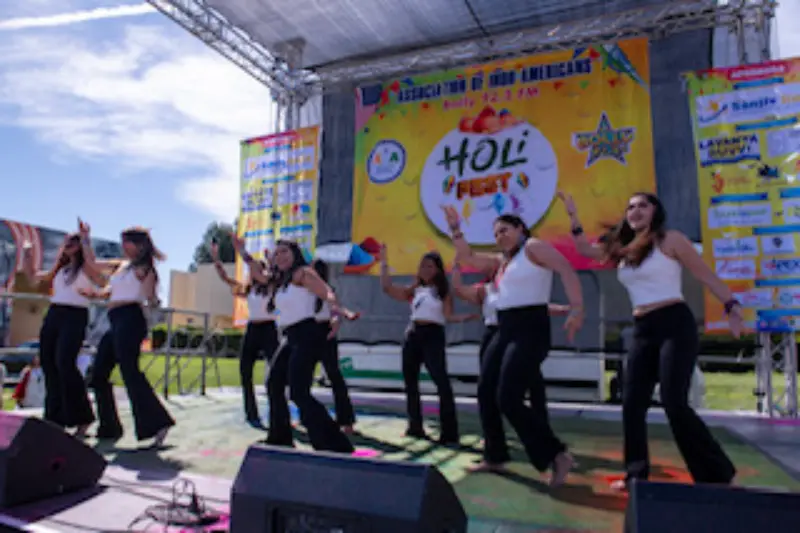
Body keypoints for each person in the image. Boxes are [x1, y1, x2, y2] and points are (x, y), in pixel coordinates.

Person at [558, 191, 740, 490]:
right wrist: (574, 216)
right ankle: (636, 474)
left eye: (643, 205)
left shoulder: (670, 240)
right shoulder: (622, 247)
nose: (636, 210)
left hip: (674, 323)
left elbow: (704, 273)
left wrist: (731, 305)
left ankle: (718, 474)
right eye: (630, 207)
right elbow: (583, 249)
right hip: (643, 328)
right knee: (632, 403)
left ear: (655, 211)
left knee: (674, 402)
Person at [443, 207, 584, 487]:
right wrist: (456, 229)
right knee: (486, 391)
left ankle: (556, 454)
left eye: (504, 230)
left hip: (530, 326)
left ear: (520, 228)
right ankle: (495, 455)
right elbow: (468, 257)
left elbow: (565, 268)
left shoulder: (533, 248)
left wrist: (577, 307)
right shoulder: (502, 261)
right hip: (503, 327)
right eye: (496, 233)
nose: (500, 236)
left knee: (508, 396)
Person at [236, 237, 353, 453]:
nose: (280, 256)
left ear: (295, 254)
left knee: (299, 392)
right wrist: (243, 253)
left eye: (285, 252)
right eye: (277, 253)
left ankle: (335, 443)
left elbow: (327, 292)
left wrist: (337, 313)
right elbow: (257, 273)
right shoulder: (279, 280)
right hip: (290, 336)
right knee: (274, 384)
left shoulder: (303, 274)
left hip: (308, 334)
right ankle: (280, 437)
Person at [80, 225, 175, 446]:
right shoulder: (121, 266)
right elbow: (92, 264)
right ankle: (109, 426)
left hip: (131, 318)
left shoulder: (145, 269)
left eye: (127, 242)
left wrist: (154, 310)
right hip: (114, 319)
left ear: (139, 245)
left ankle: (158, 423)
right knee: (99, 373)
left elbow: (150, 298)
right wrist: (86, 239)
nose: (123, 246)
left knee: (129, 370)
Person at [379, 246, 475, 445]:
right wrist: (384, 263)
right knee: (410, 382)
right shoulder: (414, 289)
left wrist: (465, 317)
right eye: (422, 266)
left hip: (433, 335)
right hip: (413, 334)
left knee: (441, 382)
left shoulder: (442, 291)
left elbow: (448, 316)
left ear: (438, 270)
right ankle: (415, 426)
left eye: (430, 266)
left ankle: (449, 432)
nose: (425, 269)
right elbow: (388, 288)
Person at [22, 231, 102, 437]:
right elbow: (32, 278)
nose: (68, 246)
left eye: (72, 243)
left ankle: (82, 417)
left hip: (75, 315)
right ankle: (54, 418)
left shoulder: (85, 267)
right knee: (49, 363)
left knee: (65, 362)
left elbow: (96, 273)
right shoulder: (60, 269)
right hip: (55, 313)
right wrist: (27, 254)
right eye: (66, 243)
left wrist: (85, 240)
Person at [211, 241, 278, 426]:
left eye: (255, 270)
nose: (252, 273)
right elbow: (225, 278)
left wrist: (270, 261)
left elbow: (273, 274)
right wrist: (216, 258)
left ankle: (277, 411)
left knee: (276, 371)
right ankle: (252, 413)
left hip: (269, 329)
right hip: (252, 329)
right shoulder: (248, 289)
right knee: (245, 371)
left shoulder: (271, 286)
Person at [311, 259, 361, 433]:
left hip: (325, 333)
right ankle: (307, 416)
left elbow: (336, 309)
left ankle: (346, 421)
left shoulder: (328, 291)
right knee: (301, 378)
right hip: (308, 331)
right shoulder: (304, 291)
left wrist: (344, 318)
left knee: (335, 376)